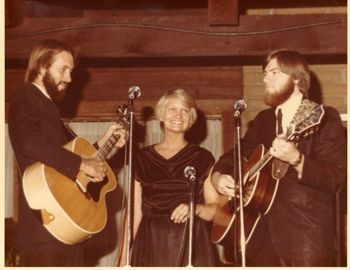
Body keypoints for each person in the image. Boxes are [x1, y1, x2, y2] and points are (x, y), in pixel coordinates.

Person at [210, 49, 346, 266]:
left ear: (296, 78)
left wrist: (297, 159)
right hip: (258, 238)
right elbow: (233, 155)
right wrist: (218, 177)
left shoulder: (322, 117)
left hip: (305, 240)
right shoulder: (263, 120)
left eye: (274, 72)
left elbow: (335, 179)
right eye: (264, 73)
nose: (265, 78)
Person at [8, 39, 126, 266]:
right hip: (44, 230)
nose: (69, 78)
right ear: (42, 67)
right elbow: (30, 143)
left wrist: (104, 142)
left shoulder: (48, 107)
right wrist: (83, 164)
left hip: (66, 225)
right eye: (63, 69)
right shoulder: (25, 99)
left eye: (71, 71)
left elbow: (65, 157)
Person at [118, 89, 219, 266]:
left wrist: (196, 209)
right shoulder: (141, 158)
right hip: (151, 244)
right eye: (172, 109)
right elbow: (133, 214)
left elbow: (216, 211)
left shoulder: (204, 157)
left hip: (192, 243)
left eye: (185, 110)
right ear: (161, 115)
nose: (179, 115)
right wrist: (122, 261)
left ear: (191, 119)